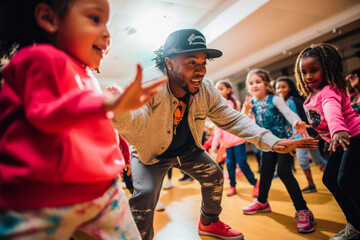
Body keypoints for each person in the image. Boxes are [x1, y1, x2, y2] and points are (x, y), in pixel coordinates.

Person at [112, 28, 319, 240]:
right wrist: (121, 115)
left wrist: (272, 141)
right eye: (191, 62)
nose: (201, 70)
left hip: (187, 150)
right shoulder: (150, 84)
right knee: (144, 195)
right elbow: (135, 123)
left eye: (203, 62)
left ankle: (209, 222)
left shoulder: (205, 88)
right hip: (151, 155)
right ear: (170, 62)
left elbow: (231, 117)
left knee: (214, 175)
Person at [0, 0, 167, 239]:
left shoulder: (83, 72)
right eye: (95, 19)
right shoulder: (39, 58)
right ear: (49, 19)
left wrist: (117, 162)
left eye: (107, 23)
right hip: (40, 201)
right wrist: (108, 103)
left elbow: (94, 130)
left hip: (103, 193)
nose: (107, 33)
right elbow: (47, 114)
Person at [295, 43, 360, 240]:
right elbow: (320, 119)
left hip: (353, 135)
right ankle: (355, 224)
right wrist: (305, 127)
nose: (308, 76)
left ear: (327, 68)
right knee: (330, 179)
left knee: (346, 180)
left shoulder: (329, 91)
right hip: (340, 140)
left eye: (314, 70)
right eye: (304, 72)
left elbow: (332, 111)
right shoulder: (311, 97)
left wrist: (338, 129)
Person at [242, 69, 316, 233]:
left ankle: (303, 210)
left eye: (258, 82)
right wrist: (246, 110)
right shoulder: (251, 103)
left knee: (283, 172)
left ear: (267, 84)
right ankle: (262, 202)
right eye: (251, 83)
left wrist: (297, 123)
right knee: (265, 173)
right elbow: (243, 122)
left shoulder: (274, 99)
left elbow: (289, 114)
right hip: (267, 145)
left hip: (284, 143)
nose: (254, 85)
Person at [275, 77, 327, 193]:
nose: (280, 90)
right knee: (318, 160)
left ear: (290, 88)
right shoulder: (284, 102)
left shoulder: (291, 101)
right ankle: (332, 177)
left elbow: (297, 120)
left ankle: (312, 184)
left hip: (303, 135)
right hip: (303, 135)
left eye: (283, 87)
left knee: (303, 160)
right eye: (278, 87)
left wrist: (295, 140)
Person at [212, 79, 259, 197]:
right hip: (227, 143)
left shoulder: (234, 103)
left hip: (238, 140)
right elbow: (218, 128)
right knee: (230, 165)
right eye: (216, 89)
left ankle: (255, 183)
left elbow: (240, 119)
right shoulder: (216, 106)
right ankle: (232, 185)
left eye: (221, 88)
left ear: (228, 90)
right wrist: (214, 145)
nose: (218, 91)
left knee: (242, 163)